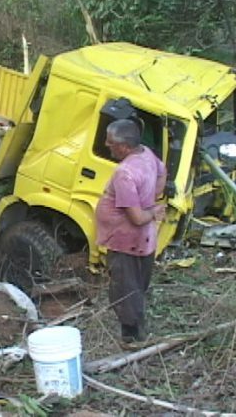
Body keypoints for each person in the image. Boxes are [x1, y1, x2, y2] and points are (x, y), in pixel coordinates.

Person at [95, 119, 167, 343]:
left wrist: (152, 211)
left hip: (126, 240)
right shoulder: (146, 154)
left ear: (123, 146)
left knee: (125, 289)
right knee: (137, 283)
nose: (107, 146)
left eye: (110, 143)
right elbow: (163, 172)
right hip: (144, 240)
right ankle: (136, 327)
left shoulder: (124, 173)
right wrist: (152, 196)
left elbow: (136, 218)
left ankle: (132, 337)